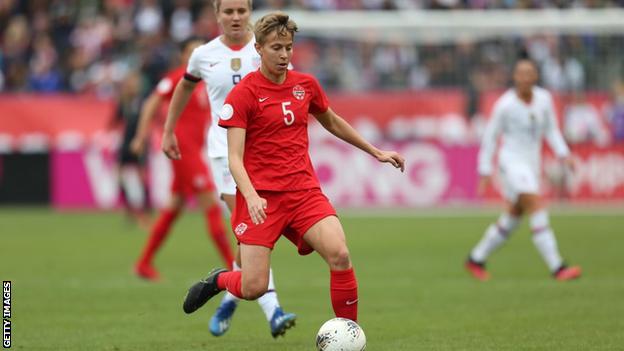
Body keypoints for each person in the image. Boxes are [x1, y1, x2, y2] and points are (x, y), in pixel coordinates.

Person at [171, 12, 405, 329]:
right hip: (262, 200)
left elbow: (332, 121)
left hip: (303, 193)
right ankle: (219, 281)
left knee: (340, 255)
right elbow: (235, 158)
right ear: (259, 49)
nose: (283, 55)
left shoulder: (305, 85)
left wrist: (376, 151)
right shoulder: (243, 95)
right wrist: (251, 196)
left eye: (288, 48)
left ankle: (349, 334)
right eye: (276, 48)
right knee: (253, 286)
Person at [159, 0, 296, 338]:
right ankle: (273, 310)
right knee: (255, 232)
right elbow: (184, 87)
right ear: (217, 14)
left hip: (265, 155)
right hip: (226, 155)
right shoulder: (204, 55)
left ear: (250, 13)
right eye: (228, 11)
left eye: (241, 11)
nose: (235, 17)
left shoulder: (266, 48)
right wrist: (168, 129)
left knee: (249, 240)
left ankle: (228, 300)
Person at [465, 57, 582, 281]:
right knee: (535, 204)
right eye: (521, 73)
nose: (525, 77)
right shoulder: (505, 105)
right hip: (511, 163)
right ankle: (558, 267)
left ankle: (475, 258)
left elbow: (551, 130)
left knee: (513, 216)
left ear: (536, 76)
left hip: (531, 164)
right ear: (515, 77)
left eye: (530, 73)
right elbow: (490, 137)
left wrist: (564, 155)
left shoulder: (544, 99)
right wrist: (485, 169)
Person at [131, 37, 235, 281]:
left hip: (193, 150)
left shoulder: (208, 78)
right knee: (210, 202)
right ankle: (234, 266)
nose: (196, 55)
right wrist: (140, 136)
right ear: (182, 56)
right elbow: (151, 102)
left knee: (174, 207)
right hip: (181, 150)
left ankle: (143, 263)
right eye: (191, 51)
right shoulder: (178, 76)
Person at [111, 70, 151, 230]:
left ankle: (145, 211)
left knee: (142, 177)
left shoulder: (144, 101)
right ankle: (128, 209)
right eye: (130, 83)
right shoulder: (124, 102)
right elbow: (115, 121)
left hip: (140, 142)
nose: (133, 86)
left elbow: (152, 118)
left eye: (135, 83)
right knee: (119, 175)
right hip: (126, 143)